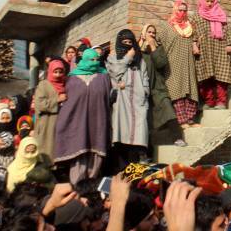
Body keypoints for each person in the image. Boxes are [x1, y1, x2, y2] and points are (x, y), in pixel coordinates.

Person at [54, 48, 110, 184]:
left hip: (98, 123)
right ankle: (77, 191)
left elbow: (108, 99)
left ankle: (91, 192)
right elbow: (69, 104)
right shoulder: (72, 79)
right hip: (78, 124)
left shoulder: (104, 77)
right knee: (79, 156)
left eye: (97, 60)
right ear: (84, 60)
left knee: (96, 159)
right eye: (92, 60)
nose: (95, 62)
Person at [106, 29, 150, 167]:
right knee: (122, 136)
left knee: (139, 134)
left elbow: (145, 78)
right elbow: (115, 73)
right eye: (124, 42)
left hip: (138, 100)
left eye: (130, 42)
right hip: (122, 101)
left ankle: (137, 171)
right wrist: (127, 58)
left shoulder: (139, 60)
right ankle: (123, 173)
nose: (127, 45)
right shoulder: (113, 58)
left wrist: (144, 91)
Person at [138, 24, 186, 147]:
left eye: (154, 33)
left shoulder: (158, 48)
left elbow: (161, 64)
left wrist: (153, 46)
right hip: (142, 90)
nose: (152, 35)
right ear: (143, 34)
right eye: (149, 32)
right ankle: (145, 151)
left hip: (158, 88)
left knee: (168, 110)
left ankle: (178, 138)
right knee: (144, 121)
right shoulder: (137, 50)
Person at [157, 0, 200, 128]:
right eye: (179, 10)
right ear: (175, 10)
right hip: (173, 64)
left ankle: (190, 120)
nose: (182, 12)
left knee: (190, 89)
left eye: (184, 10)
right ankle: (181, 121)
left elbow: (195, 41)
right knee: (177, 90)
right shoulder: (167, 26)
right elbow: (159, 44)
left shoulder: (190, 27)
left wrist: (195, 45)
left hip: (189, 63)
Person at [192, 0, 231, 110]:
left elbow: (228, 30)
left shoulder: (221, 15)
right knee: (205, 77)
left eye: (212, 1)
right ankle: (209, 102)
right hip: (204, 50)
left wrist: (230, 44)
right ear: (202, 1)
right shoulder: (197, 16)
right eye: (207, 1)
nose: (210, 3)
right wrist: (194, 45)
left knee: (222, 77)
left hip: (220, 48)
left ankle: (221, 102)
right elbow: (193, 33)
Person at [34, 59, 67, 161]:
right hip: (47, 124)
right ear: (50, 71)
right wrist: (57, 100)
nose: (58, 75)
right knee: (46, 149)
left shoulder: (65, 85)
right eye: (55, 72)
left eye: (60, 72)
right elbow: (40, 104)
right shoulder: (43, 85)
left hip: (62, 123)